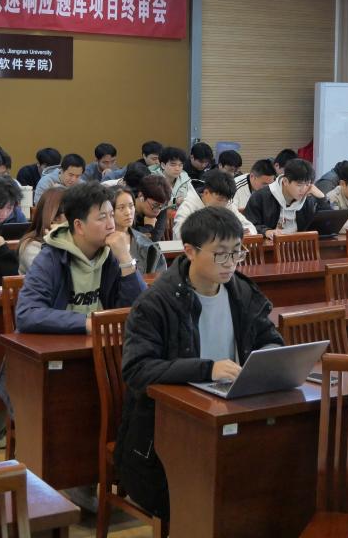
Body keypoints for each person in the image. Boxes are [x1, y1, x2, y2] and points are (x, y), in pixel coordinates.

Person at [115, 207, 284, 519]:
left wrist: (272, 356)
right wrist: (207, 369)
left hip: (235, 414)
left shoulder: (242, 292)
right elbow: (137, 369)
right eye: (220, 254)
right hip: (171, 431)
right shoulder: (157, 302)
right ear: (190, 251)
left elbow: (268, 337)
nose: (231, 262)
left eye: (237, 252)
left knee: (277, 477)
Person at [14, 183, 147, 334]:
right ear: (79, 226)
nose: (111, 225)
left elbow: (141, 311)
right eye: (102, 217)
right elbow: (27, 313)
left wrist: (126, 259)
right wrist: (88, 323)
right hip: (61, 344)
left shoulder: (111, 255)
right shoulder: (51, 258)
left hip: (103, 343)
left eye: (111, 215)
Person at [244, 158, 331, 238]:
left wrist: (322, 198)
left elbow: (328, 226)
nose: (303, 189)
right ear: (285, 181)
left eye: (308, 184)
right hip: (271, 246)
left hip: (300, 246)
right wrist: (266, 231)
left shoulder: (309, 198)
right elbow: (248, 226)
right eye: (299, 185)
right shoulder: (261, 197)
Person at [173, 169, 256, 242]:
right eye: (219, 199)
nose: (223, 204)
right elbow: (180, 235)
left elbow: (248, 226)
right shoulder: (188, 206)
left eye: (226, 200)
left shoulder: (227, 204)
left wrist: (246, 233)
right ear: (206, 193)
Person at [110, 185, 166, 275]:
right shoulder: (100, 243)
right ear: (109, 211)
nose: (128, 212)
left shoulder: (147, 245)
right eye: (121, 208)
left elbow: (160, 277)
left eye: (131, 206)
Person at [18, 187, 67, 275]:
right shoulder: (31, 246)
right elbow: (51, 275)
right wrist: (60, 242)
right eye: (70, 213)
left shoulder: (76, 240)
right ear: (54, 218)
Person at [132, 174, 173, 243]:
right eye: (155, 205)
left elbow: (155, 239)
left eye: (162, 206)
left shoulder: (161, 207)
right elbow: (128, 239)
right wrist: (148, 227)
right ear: (141, 196)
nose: (158, 211)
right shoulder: (126, 209)